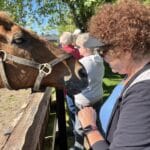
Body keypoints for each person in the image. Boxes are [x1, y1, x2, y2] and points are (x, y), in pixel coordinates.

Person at [78, 0, 150, 150]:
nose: (101, 56)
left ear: (126, 50)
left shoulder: (144, 93)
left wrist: (90, 127)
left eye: (103, 51)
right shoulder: (133, 74)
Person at [72, 33, 104, 150]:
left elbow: (73, 82)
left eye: (79, 47)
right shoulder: (98, 59)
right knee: (96, 122)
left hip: (84, 101)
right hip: (97, 96)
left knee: (79, 126)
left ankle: (78, 146)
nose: (77, 49)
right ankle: (96, 144)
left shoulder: (82, 63)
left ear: (86, 48)